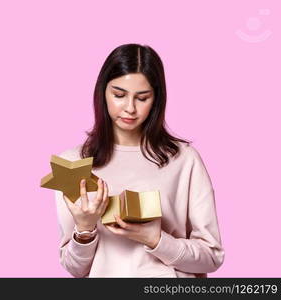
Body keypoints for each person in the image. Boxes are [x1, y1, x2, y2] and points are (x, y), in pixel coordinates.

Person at [55, 43, 224, 278]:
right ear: (102, 92)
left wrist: (156, 239)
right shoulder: (74, 162)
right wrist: (84, 229)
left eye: (142, 98)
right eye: (119, 95)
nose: (130, 108)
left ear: (156, 98)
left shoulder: (184, 160)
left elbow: (212, 257)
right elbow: (75, 268)